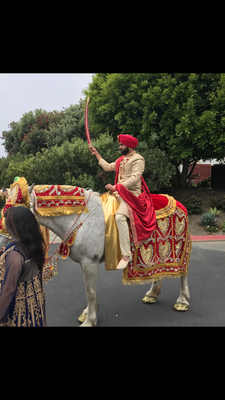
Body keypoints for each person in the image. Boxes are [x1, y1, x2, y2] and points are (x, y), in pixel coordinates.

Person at [89, 134, 156, 270]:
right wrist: (97, 154)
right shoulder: (121, 160)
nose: (119, 147)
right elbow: (107, 167)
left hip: (131, 195)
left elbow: (134, 179)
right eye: (120, 145)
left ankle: (126, 254)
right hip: (118, 193)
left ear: (129, 146)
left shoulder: (138, 159)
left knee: (119, 217)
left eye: (121, 145)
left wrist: (116, 187)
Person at [0, 206, 46, 327]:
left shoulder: (15, 255)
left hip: (18, 310)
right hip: (33, 305)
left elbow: (9, 291)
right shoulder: (34, 245)